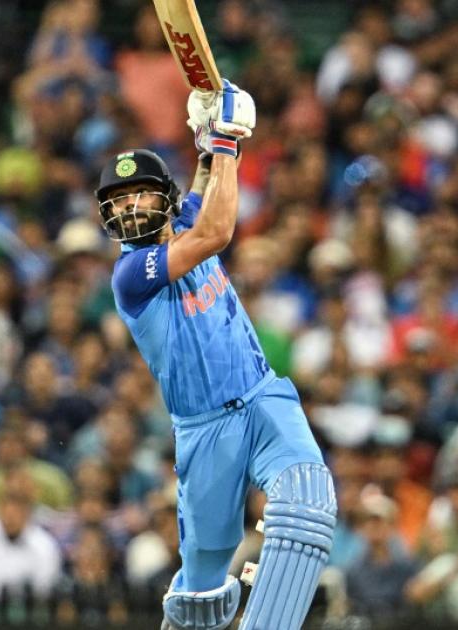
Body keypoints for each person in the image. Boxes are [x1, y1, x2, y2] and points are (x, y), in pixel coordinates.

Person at [97, 80, 335, 630]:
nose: (130, 208)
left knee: (308, 504)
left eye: (141, 195)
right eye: (118, 201)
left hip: (262, 396)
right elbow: (217, 230)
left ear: (166, 198)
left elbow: (206, 190)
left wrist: (210, 141)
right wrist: (226, 140)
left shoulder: (182, 221)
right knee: (200, 593)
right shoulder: (131, 273)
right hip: (205, 431)